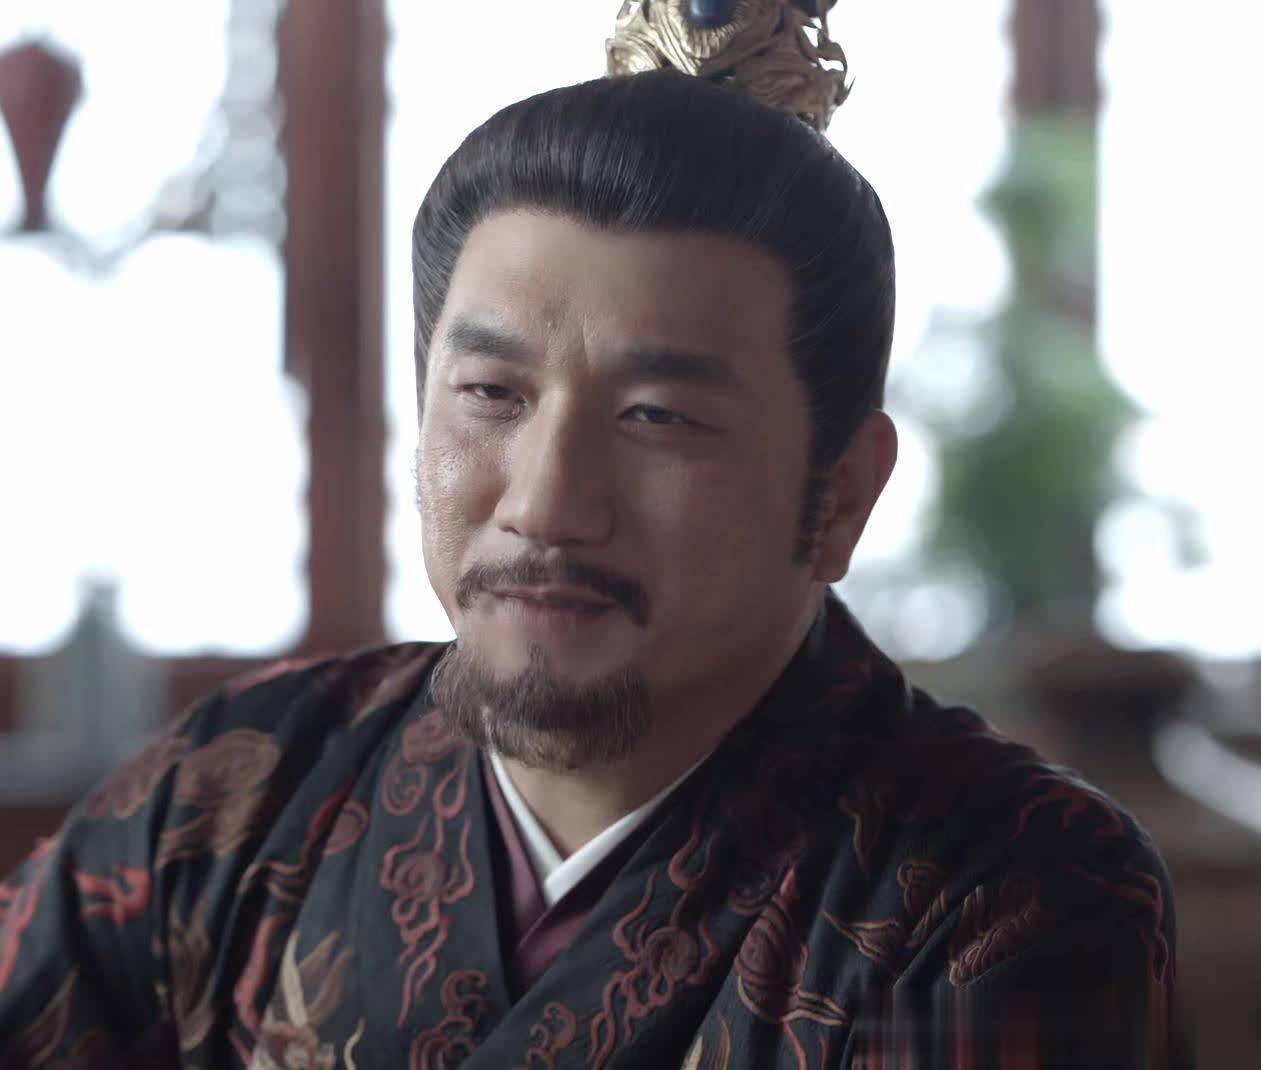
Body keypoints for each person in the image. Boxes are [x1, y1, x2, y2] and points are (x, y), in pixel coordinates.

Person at [0, 3, 1188, 1067]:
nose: (545, 499)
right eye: (490, 395)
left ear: (839, 493)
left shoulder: (998, 892)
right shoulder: (237, 794)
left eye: (656, 415)